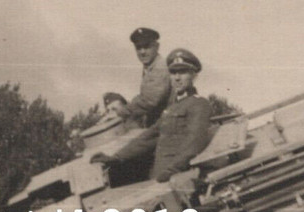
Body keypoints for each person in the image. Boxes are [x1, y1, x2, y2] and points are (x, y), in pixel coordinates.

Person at [91, 48, 214, 182]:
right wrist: (116, 157)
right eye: (173, 72)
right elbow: (148, 137)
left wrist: (174, 169)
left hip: (179, 177)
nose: (177, 78)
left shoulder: (199, 104)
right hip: (160, 176)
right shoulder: (171, 109)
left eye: (182, 72)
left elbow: (195, 142)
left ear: (194, 75)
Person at [119, 27, 173, 126]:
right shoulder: (150, 66)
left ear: (157, 46)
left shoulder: (160, 67)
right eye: (138, 48)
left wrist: (120, 112)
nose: (142, 52)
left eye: (147, 46)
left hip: (167, 125)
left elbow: (149, 100)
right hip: (159, 123)